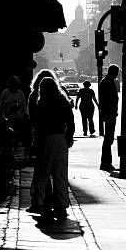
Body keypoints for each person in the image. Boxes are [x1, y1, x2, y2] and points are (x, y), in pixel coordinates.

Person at [32, 77, 75, 220]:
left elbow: (37, 125)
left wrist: (35, 142)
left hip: (46, 138)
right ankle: (61, 205)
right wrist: (68, 137)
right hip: (60, 138)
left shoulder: (41, 103)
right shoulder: (62, 101)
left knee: (43, 173)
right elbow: (70, 122)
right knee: (60, 174)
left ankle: (40, 202)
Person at [0, 75, 30, 152]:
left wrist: (26, 114)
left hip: (19, 118)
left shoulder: (20, 93)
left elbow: (24, 105)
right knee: (9, 136)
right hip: (9, 119)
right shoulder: (5, 93)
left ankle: (15, 149)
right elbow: (0, 106)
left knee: (18, 135)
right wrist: (2, 117)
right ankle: (11, 150)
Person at [99, 64, 119, 171]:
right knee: (108, 139)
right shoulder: (108, 82)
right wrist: (110, 112)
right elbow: (109, 100)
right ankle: (106, 162)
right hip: (109, 114)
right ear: (114, 72)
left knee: (108, 138)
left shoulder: (105, 81)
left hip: (108, 113)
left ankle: (106, 162)